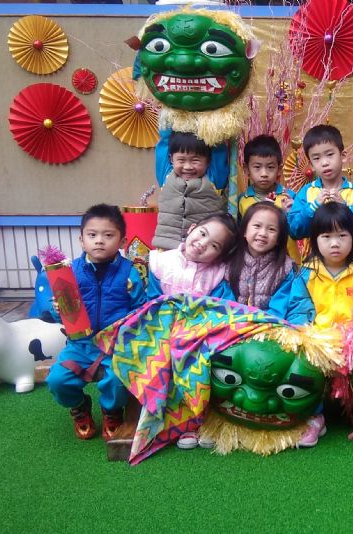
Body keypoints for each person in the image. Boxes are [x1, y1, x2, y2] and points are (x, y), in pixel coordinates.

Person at [269, 202, 353, 448]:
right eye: (326, 236)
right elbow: (298, 308)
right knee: (305, 364)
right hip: (319, 341)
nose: (335, 243)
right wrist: (307, 334)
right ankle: (314, 415)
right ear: (314, 240)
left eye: (342, 236)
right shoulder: (306, 273)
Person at [46, 204, 147, 441]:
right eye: (92, 235)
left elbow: (141, 309)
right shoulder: (69, 272)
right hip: (80, 345)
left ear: (122, 241)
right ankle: (79, 406)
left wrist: (131, 331)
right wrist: (57, 310)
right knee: (57, 380)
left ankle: (112, 411)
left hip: (117, 345)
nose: (99, 240)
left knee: (118, 380)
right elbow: (59, 311)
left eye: (108, 235)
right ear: (81, 240)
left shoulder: (130, 272)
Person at [148, 212, 237, 449]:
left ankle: (196, 422)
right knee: (162, 362)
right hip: (162, 330)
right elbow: (150, 301)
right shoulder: (160, 262)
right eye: (202, 233)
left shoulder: (217, 275)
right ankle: (167, 421)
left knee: (199, 365)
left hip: (199, 335)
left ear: (219, 255)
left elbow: (223, 308)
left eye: (214, 245)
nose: (202, 243)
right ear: (192, 228)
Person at [287, 125, 353, 240]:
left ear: (343, 156)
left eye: (330, 154)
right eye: (316, 158)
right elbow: (294, 231)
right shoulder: (307, 192)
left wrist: (346, 207)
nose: (325, 163)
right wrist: (313, 207)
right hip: (315, 252)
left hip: (350, 252)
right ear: (311, 165)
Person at [152, 132, 227, 250]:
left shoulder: (215, 180)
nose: (187, 167)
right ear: (171, 159)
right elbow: (164, 142)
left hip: (202, 249)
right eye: (181, 160)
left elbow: (219, 148)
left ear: (208, 161)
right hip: (167, 249)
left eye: (195, 161)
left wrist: (211, 125)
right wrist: (172, 121)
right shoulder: (166, 176)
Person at [236, 135, 301, 263]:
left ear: (279, 169)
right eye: (257, 167)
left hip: (288, 263)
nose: (264, 174)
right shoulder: (241, 201)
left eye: (270, 167)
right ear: (246, 169)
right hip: (254, 263)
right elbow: (239, 234)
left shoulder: (290, 198)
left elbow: (299, 230)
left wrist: (290, 215)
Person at [227, 202, 295, 310]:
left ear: (279, 238)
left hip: (269, 320)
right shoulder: (230, 262)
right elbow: (224, 302)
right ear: (244, 231)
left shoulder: (286, 269)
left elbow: (280, 308)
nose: (263, 233)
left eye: (271, 229)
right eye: (257, 226)